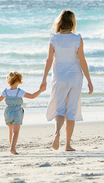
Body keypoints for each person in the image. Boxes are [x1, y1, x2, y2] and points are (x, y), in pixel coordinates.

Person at [40, 10, 93, 151]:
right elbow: (82, 60)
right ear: (72, 22)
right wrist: (89, 80)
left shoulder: (54, 38)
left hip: (59, 77)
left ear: (60, 22)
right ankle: (68, 144)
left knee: (59, 108)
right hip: (75, 76)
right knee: (72, 110)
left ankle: (57, 132)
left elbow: (49, 60)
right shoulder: (77, 39)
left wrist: (44, 79)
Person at [0, 71, 45, 155]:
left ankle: (11, 146)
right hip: (17, 112)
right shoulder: (19, 91)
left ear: (9, 81)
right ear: (18, 81)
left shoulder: (6, 91)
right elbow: (32, 96)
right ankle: (12, 149)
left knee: (11, 130)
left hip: (8, 112)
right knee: (16, 132)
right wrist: (40, 90)